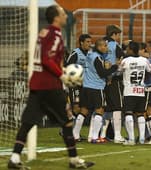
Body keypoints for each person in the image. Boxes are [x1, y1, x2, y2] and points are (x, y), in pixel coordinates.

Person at [7, 5, 94, 169]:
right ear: (56, 17)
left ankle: (14, 158)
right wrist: (62, 75)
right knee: (67, 122)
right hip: (50, 86)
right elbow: (47, 60)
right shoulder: (55, 35)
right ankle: (74, 160)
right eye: (63, 14)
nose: (66, 16)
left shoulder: (44, 32)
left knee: (27, 123)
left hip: (36, 84)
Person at [81, 38, 118, 143]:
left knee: (84, 111)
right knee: (99, 110)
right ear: (99, 47)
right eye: (105, 46)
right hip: (96, 87)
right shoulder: (97, 58)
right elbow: (102, 73)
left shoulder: (90, 55)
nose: (106, 48)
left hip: (86, 86)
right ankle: (94, 137)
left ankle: (75, 135)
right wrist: (114, 67)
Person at [119, 41, 151, 145]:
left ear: (130, 49)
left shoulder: (125, 61)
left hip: (129, 91)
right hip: (140, 91)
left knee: (128, 113)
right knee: (140, 114)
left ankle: (131, 139)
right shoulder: (144, 60)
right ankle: (142, 139)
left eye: (128, 48)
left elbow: (118, 70)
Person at [65, 34, 92, 142]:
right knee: (76, 108)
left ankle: (74, 133)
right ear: (81, 42)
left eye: (90, 42)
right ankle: (67, 130)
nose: (89, 44)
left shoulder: (90, 54)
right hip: (75, 85)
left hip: (85, 85)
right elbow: (68, 66)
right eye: (87, 42)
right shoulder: (76, 53)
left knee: (83, 109)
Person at [104, 25, 125, 143]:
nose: (118, 38)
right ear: (114, 34)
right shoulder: (115, 45)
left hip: (101, 79)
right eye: (118, 35)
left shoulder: (100, 44)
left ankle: (99, 135)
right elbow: (121, 58)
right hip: (113, 79)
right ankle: (117, 136)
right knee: (117, 107)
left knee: (106, 108)